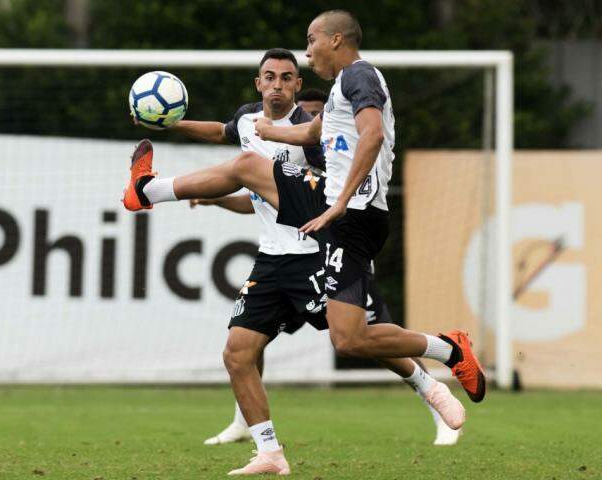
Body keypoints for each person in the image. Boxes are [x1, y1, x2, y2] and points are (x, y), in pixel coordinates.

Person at [122, 12, 484, 474]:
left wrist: (337, 201)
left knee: (248, 166)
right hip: (295, 246)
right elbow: (297, 137)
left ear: (334, 41)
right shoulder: (292, 110)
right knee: (314, 344)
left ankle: (147, 190)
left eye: (309, 44)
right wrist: (261, 133)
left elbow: (368, 135)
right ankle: (271, 451)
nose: (306, 52)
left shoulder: (359, 75)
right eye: (270, 76)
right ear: (258, 83)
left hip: (332, 226)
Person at [186, 79, 460, 449]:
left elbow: (332, 190)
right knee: (244, 345)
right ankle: (246, 426)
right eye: (269, 76)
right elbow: (252, 190)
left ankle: (434, 392)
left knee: (368, 338)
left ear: (297, 88)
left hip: (324, 255)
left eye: (285, 78)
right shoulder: (249, 124)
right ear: (258, 82)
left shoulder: (316, 140)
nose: (276, 85)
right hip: (276, 260)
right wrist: (210, 190)